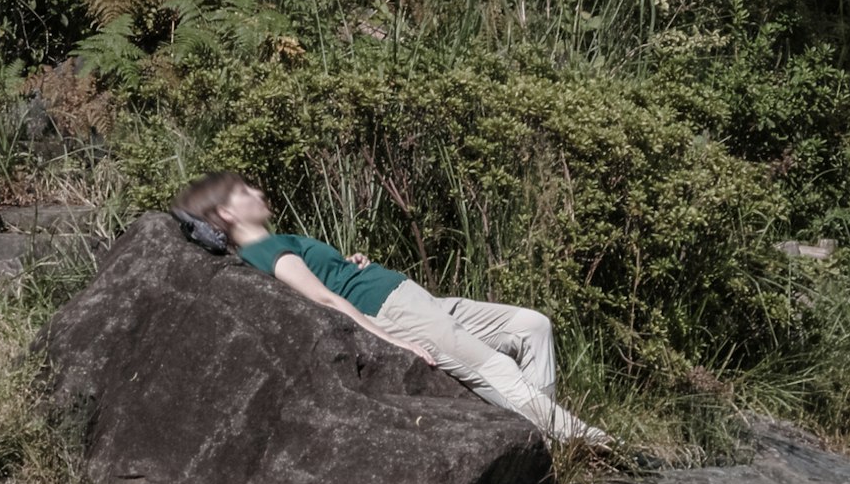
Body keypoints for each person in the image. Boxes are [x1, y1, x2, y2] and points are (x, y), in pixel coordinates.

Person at [168, 173, 608, 443]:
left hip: (413, 298)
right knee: (496, 368)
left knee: (532, 325)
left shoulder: (276, 243)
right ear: (226, 210)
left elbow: (328, 278)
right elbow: (323, 299)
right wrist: (389, 338)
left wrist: (346, 261)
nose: (258, 191)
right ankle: (583, 441)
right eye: (246, 190)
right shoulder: (263, 251)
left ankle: (545, 439)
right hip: (393, 311)